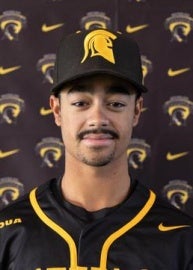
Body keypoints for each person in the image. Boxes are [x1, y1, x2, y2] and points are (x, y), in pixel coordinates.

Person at [0, 28, 193, 270]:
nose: (98, 118)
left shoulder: (181, 238)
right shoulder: (8, 232)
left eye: (115, 104)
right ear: (57, 110)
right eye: (81, 103)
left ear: (136, 111)